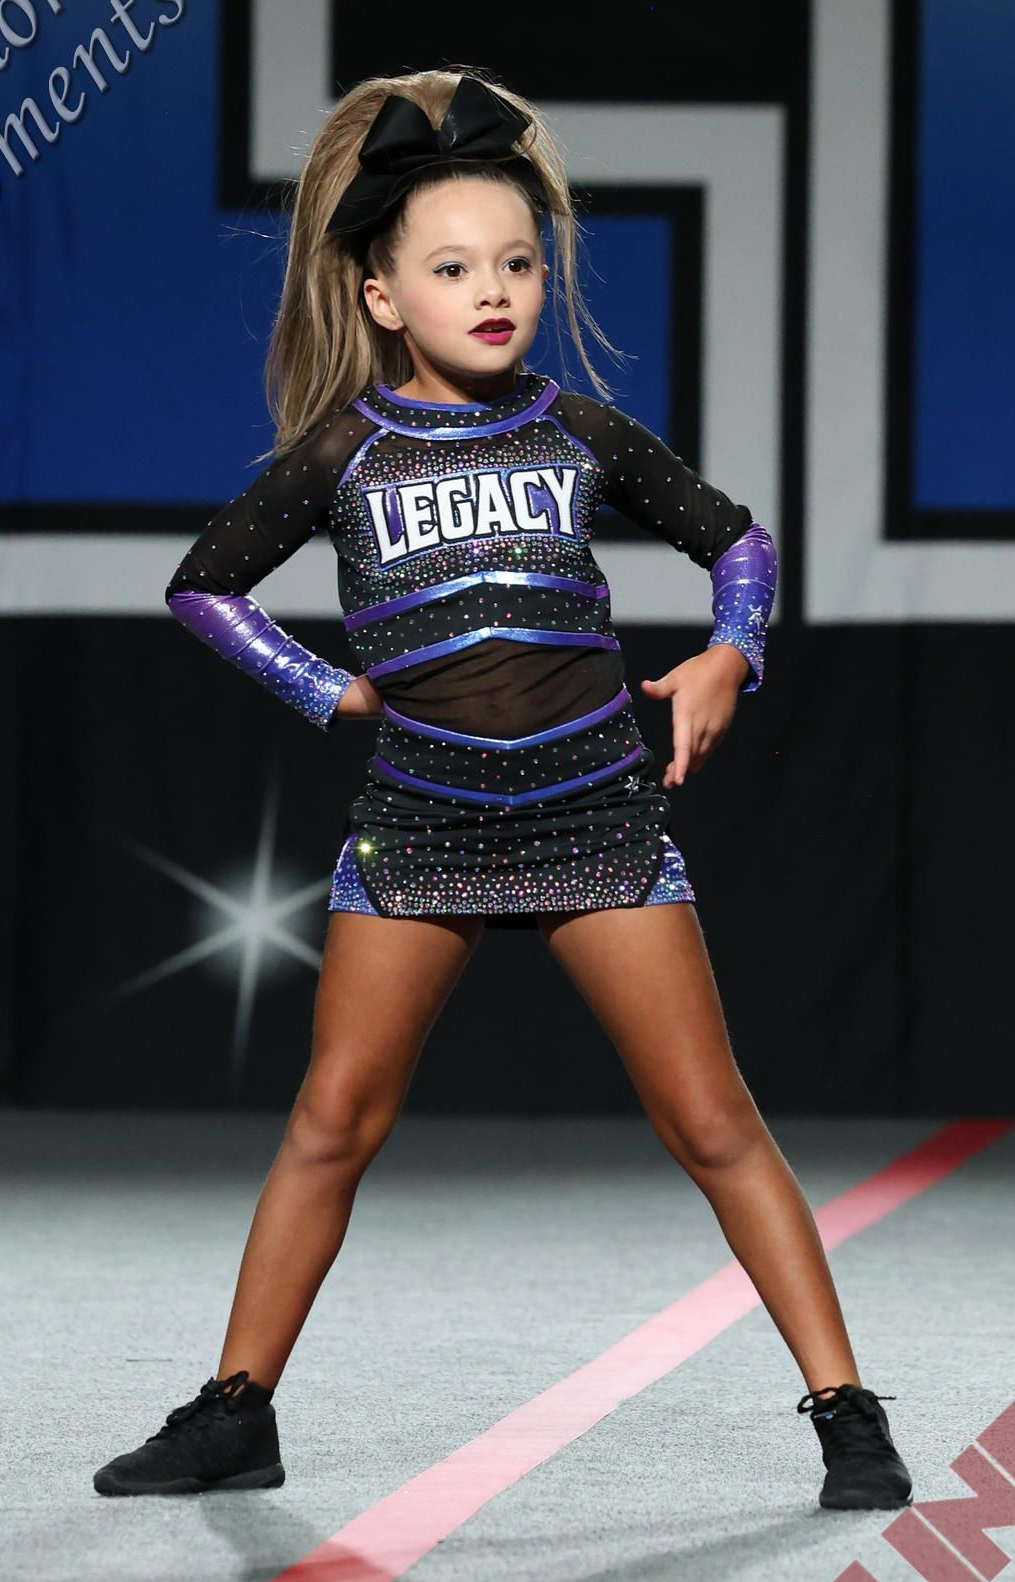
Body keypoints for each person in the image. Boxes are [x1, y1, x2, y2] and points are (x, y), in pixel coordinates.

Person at [93, 68, 912, 1512]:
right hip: (420, 824)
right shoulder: (344, 451)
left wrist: (732, 652)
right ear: (380, 295)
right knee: (333, 1120)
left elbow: (736, 540)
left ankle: (847, 1412)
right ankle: (234, 1412)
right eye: (454, 267)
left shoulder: (579, 432)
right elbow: (204, 585)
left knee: (712, 1121)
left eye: (518, 263)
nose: (493, 291)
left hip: (595, 817)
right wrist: (327, 688)